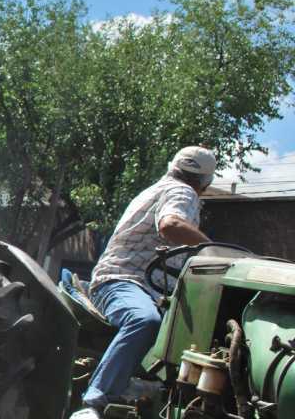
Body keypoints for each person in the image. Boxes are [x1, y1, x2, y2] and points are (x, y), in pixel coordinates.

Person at [72, 146, 215, 419]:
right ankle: (94, 403)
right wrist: (213, 248)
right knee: (144, 320)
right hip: (122, 282)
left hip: (144, 287)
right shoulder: (182, 192)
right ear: (205, 183)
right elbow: (170, 224)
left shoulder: (152, 190)